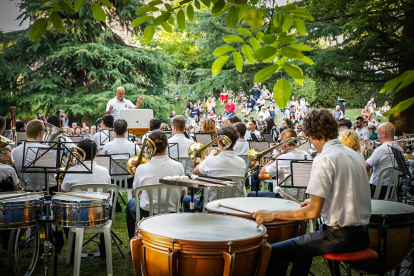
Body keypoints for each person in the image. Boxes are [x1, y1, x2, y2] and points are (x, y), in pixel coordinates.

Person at [254, 109, 371, 276]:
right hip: (363, 234)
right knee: (304, 247)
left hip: (340, 236)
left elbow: (313, 213)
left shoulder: (324, 158)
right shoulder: (355, 155)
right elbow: (348, 192)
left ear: (311, 135)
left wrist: (272, 215)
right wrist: (321, 202)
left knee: (272, 252)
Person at [126, 130, 184, 240]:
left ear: (149, 147)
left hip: (147, 215)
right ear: (167, 145)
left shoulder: (141, 168)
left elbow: (136, 193)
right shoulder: (178, 166)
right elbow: (182, 193)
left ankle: (134, 243)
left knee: (130, 203)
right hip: (172, 213)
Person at [182, 126, 246, 212]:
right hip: (233, 206)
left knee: (186, 199)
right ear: (234, 143)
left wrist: (209, 156)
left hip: (211, 205)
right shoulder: (242, 162)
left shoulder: (210, 160)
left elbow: (194, 172)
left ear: (219, 141)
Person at [259, 129, 310, 198]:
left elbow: (261, 176)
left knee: (251, 194)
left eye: (279, 141)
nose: (279, 143)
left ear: (283, 141)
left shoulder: (283, 158)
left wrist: (274, 158)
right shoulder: (308, 155)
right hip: (302, 198)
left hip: (284, 197)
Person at [12, 120, 58, 192]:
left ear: (26, 132)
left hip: (25, 193)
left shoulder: (14, 151)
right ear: (40, 133)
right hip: (49, 192)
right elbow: (56, 169)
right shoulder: (48, 150)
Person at [365, 122, 403, 199]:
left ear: (384, 133)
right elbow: (381, 158)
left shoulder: (380, 150)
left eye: (378, 133)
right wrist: (370, 148)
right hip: (393, 190)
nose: (378, 136)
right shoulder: (399, 149)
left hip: (377, 190)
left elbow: (364, 167)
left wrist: (361, 152)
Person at [101, 119, 140, 189]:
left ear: (114, 130)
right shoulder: (134, 147)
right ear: (126, 130)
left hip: (112, 181)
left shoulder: (107, 146)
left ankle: (113, 199)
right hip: (129, 181)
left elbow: (103, 164)